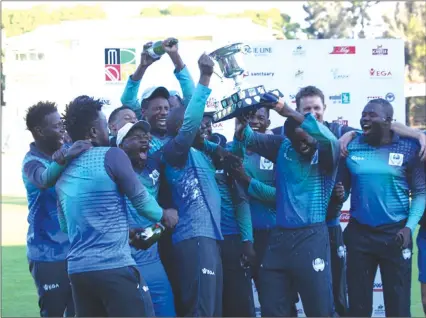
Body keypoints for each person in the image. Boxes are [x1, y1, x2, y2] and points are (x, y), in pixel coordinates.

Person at [56, 95, 178, 317]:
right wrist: (164, 215)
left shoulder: (62, 170)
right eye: (104, 126)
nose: (108, 133)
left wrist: (123, 231)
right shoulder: (112, 155)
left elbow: (66, 226)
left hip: (79, 272)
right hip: (114, 266)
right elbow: (141, 201)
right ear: (93, 132)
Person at [234, 97, 340, 317]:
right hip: (280, 239)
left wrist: (287, 110)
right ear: (288, 138)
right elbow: (248, 137)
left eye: (308, 140)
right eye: (297, 141)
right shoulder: (282, 147)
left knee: (320, 310)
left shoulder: (326, 152)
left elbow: (330, 138)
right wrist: (243, 120)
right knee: (272, 308)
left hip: (312, 237)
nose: (304, 145)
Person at [340, 98, 426, 317]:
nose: (365, 119)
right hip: (360, 234)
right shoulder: (352, 144)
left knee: (398, 307)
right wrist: (338, 196)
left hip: (396, 234)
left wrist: (409, 227)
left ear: (388, 121)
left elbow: (419, 193)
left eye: (372, 115)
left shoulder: (410, 147)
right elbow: (345, 189)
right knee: (358, 307)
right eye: (363, 114)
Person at [161, 53, 223, 317]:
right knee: (199, 310)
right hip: (193, 238)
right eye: (193, 122)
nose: (201, 125)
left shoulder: (201, 151)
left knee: (208, 308)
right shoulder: (173, 151)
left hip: (208, 238)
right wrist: (205, 77)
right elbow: (189, 124)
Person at [22, 101, 91, 317]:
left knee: (80, 311)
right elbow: (43, 180)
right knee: (54, 312)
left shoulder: (65, 150)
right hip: (47, 253)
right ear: (40, 131)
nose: (62, 129)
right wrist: (67, 157)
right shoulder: (31, 162)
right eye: (56, 126)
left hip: (77, 250)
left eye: (62, 124)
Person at [116, 120, 176, 317]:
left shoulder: (154, 166)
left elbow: (148, 236)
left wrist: (159, 228)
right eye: (135, 137)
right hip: (124, 263)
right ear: (121, 146)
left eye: (145, 137)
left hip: (153, 261)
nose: (143, 141)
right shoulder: (110, 176)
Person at [120, 38, 195, 154]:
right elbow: (128, 99)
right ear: (143, 112)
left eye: (166, 108)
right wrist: (142, 66)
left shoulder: (179, 134)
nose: (164, 112)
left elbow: (192, 100)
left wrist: (175, 56)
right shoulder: (142, 139)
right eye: (157, 108)